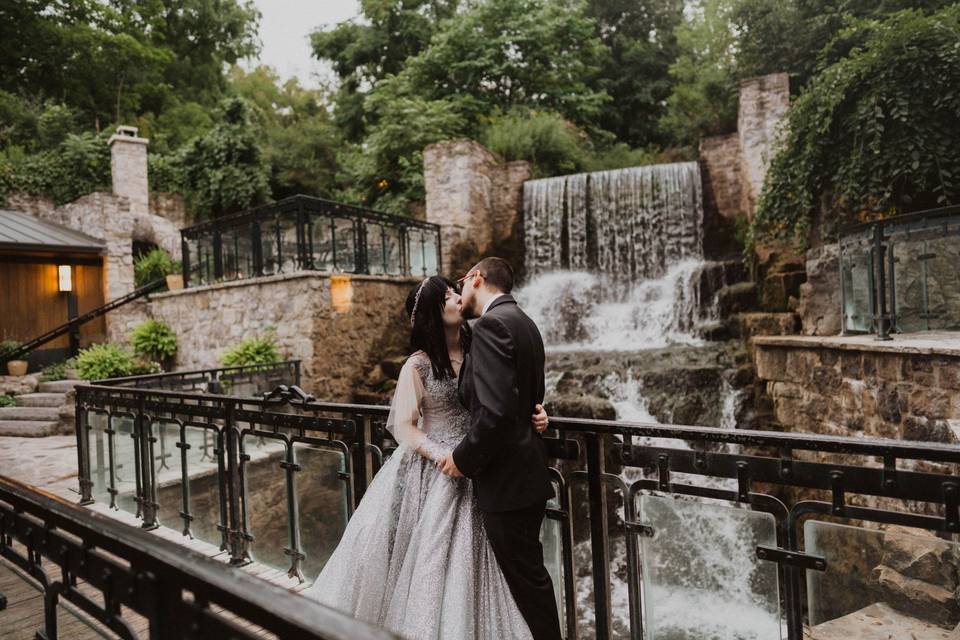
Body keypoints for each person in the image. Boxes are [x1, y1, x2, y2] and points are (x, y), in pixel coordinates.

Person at [304, 275, 550, 639]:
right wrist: (441, 455)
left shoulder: (477, 347)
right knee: (432, 556)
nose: (456, 297)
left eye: (455, 291)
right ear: (433, 313)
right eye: (447, 295)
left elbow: (502, 401)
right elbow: (403, 426)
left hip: (479, 464)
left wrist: (539, 414)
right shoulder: (416, 366)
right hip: (439, 468)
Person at [437, 257, 563, 640]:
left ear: (477, 278)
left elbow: (493, 413)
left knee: (525, 587)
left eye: (462, 282)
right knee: (530, 581)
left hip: (506, 484)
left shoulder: (492, 325)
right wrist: (538, 416)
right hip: (527, 477)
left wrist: (462, 459)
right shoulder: (525, 322)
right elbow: (525, 397)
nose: (460, 292)